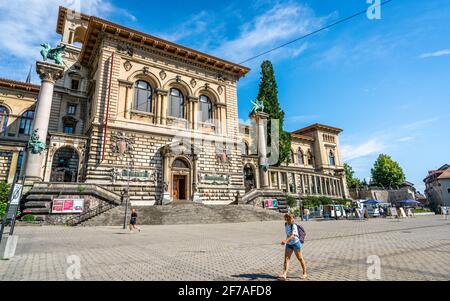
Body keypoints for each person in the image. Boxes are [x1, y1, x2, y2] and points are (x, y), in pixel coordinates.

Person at [278, 214, 307, 281]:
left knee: (300, 258)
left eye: (289, 218)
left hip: (296, 243)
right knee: (286, 259)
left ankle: (305, 273)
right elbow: (288, 234)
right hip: (289, 244)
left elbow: (293, 235)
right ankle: (284, 274)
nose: (287, 219)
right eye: (286, 217)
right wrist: (287, 241)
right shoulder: (286, 224)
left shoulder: (293, 225)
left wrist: (285, 241)